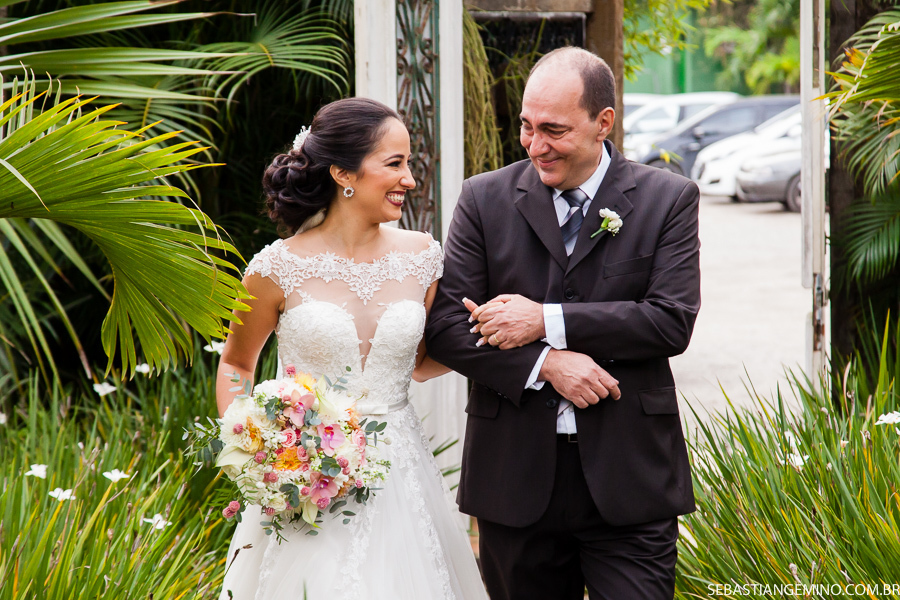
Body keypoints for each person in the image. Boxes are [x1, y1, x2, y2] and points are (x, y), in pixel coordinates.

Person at [425, 47, 701, 600]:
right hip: (514, 482)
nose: (535, 145)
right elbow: (450, 328)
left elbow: (670, 321)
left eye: (553, 129)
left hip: (631, 480)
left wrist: (544, 321)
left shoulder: (668, 199)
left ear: (604, 123)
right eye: (527, 127)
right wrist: (547, 364)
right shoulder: (484, 199)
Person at [215, 97, 488, 600]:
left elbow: (425, 364)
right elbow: (236, 363)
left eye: (409, 163)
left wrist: (488, 332)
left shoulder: (424, 257)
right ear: (344, 173)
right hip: (305, 482)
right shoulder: (276, 268)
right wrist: (258, 453)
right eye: (395, 164)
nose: (409, 178)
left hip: (401, 477)